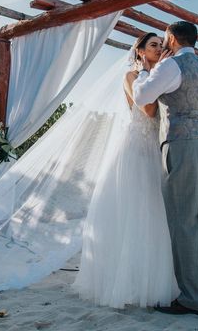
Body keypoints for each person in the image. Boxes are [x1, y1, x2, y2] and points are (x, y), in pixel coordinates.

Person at [73, 32, 179, 309]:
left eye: (162, 46)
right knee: (138, 212)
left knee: (154, 215)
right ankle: (126, 282)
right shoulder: (132, 77)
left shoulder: (161, 77)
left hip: (156, 151)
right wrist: (157, 75)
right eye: (154, 45)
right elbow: (148, 110)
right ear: (141, 51)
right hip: (135, 150)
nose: (159, 49)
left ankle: (149, 279)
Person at [132, 21, 198, 316]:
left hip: (181, 145)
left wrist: (144, 72)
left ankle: (192, 298)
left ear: (171, 37)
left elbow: (143, 97)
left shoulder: (170, 66)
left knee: (183, 221)